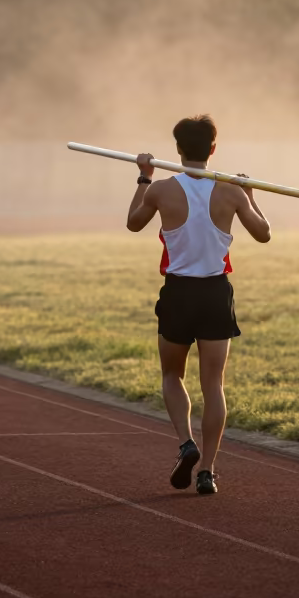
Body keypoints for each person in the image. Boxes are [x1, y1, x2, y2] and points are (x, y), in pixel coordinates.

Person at [126, 114, 271, 495]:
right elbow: (264, 234)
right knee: (214, 384)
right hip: (215, 294)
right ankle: (207, 469)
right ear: (213, 149)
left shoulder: (160, 190)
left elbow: (133, 223)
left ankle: (185, 442)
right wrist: (251, 196)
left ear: (177, 149)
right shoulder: (232, 192)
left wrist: (143, 177)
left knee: (172, 375)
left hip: (177, 293)